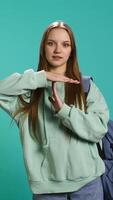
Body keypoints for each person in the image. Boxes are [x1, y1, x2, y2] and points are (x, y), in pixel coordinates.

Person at [0, 21, 109, 200]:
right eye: (51, 43)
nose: (58, 50)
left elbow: (98, 129)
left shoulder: (85, 86)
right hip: (46, 191)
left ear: (71, 51)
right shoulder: (28, 92)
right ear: (43, 48)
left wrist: (65, 111)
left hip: (88, 185)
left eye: (65, 44)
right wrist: (41, 78)